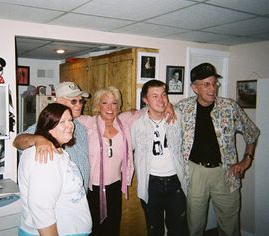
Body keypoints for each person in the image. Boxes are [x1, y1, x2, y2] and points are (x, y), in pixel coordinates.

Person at [174, 62, 260, 236]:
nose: (212, 88)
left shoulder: (230, 107)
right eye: (206, 84)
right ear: (194, 87)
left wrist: (247, 160)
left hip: (226, 172)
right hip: (195, 173)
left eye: (214, 83)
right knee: (194, 225)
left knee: (230, 225)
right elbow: (159, 114)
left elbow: (252, 133)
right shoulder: (183, 108)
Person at [18, 103, 92, 236]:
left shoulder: (59, 152)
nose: (70, 125)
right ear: (49, 127)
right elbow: (41, 209)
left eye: (70, 120)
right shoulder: (45, 156)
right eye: (62, 122)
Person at [77, 86, 139, 236]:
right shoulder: (88, 122)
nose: (110, 108)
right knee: (93, 229)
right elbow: (58, 118)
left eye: (114, 103)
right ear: (98, 105)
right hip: (93, 188)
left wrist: (169, 106)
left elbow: (148, 111)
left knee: (113, 227)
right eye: (105, 103)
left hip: (115, 186)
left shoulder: (124, 121)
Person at [131, 79, 188, 236]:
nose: (161, 100)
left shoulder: (178, 118)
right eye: (154, 96)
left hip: (175, 182)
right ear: (145, 100)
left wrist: (172, 107)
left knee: (178, 228)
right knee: (154, 228)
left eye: (163, 95)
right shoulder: (137, 125)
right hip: (151, 183)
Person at [13, 82, 91, 191]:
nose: (79, 105)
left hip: (81, 196)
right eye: (73, 101)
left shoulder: (80, 127)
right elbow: (17, 141)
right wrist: (37, 139)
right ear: (59, 101)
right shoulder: (50, 125)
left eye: (81, 101)